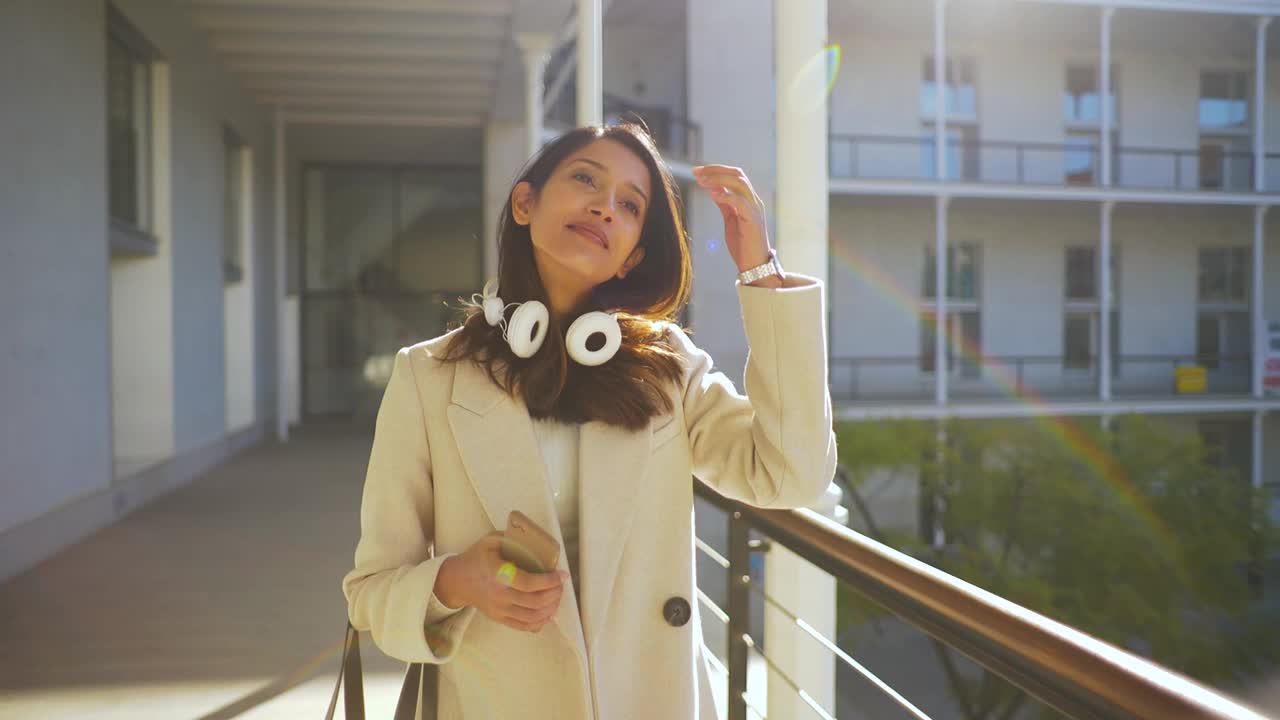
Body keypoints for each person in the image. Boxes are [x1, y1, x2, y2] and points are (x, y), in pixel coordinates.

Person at [342, 123, 838, 720]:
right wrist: (455, 582)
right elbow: (370, 592)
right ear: (525, 203)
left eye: (630, 204)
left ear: (632, 253)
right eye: (585, 179)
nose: (605, 205)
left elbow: (790, 474)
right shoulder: (428, 376)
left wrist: (761, 272)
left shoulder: (670, 368)